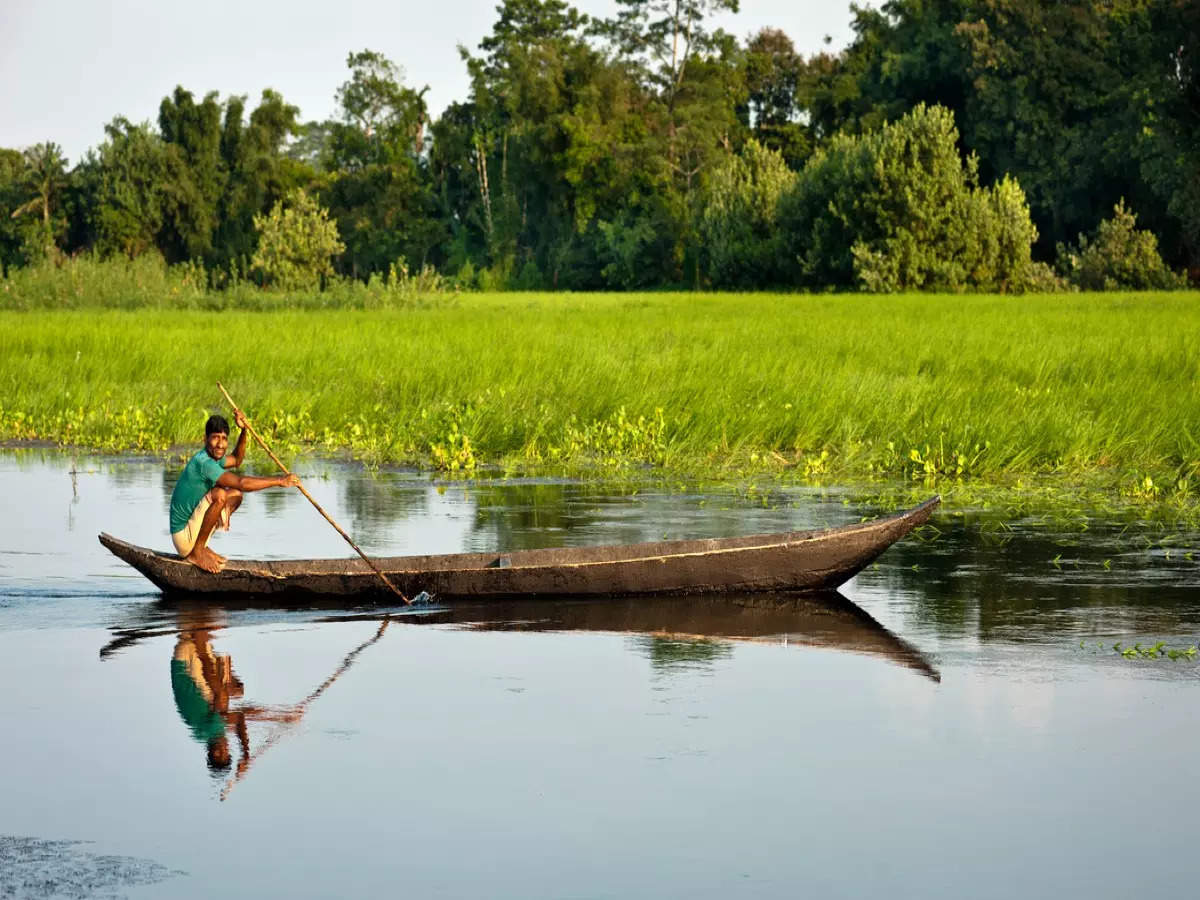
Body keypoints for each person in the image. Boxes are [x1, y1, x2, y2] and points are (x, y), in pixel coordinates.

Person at [168, 411, 300, 572]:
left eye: (224, 439)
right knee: (220, 495)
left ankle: (201, 545)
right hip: (183, 536)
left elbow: (237, 459)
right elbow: (241, 482)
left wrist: (244, 431)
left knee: (235, 495)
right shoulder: (204, 463)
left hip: (191, 531)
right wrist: (279, 481)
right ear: (205, 439)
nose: (220, 444)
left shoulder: (214, 459)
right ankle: (197, 552)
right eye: (215, 437)